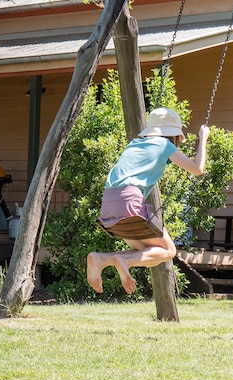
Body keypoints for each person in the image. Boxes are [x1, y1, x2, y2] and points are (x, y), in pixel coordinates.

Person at [87, 107, 210, 295]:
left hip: (109, 203)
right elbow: (197, 169)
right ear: (173, 134)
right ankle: (122, 261)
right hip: (130, 201)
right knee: (169, 251)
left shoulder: (135, 144)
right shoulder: (165, 145)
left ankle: (102, 259)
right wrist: (203, 138)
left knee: (149, 254)